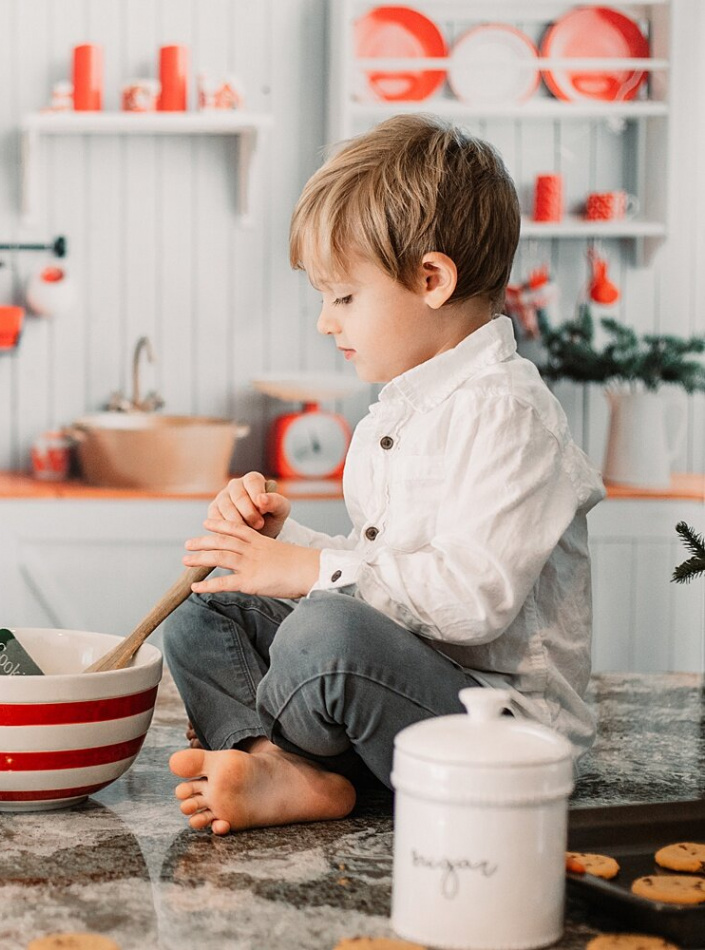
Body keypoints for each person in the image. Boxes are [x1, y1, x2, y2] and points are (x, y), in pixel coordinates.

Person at [162, 114, 604, 834]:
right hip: (400, 688)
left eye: (342, 297)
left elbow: (470, 602)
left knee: (326, 632)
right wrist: (284, 541)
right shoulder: (398, 411)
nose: (324, 323)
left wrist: (304, 569)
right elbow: (385, 569)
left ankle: (280, 759)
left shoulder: (507, 415)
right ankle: (274, 765)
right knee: (207, 604)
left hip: (497, 735)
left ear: (431, 280)